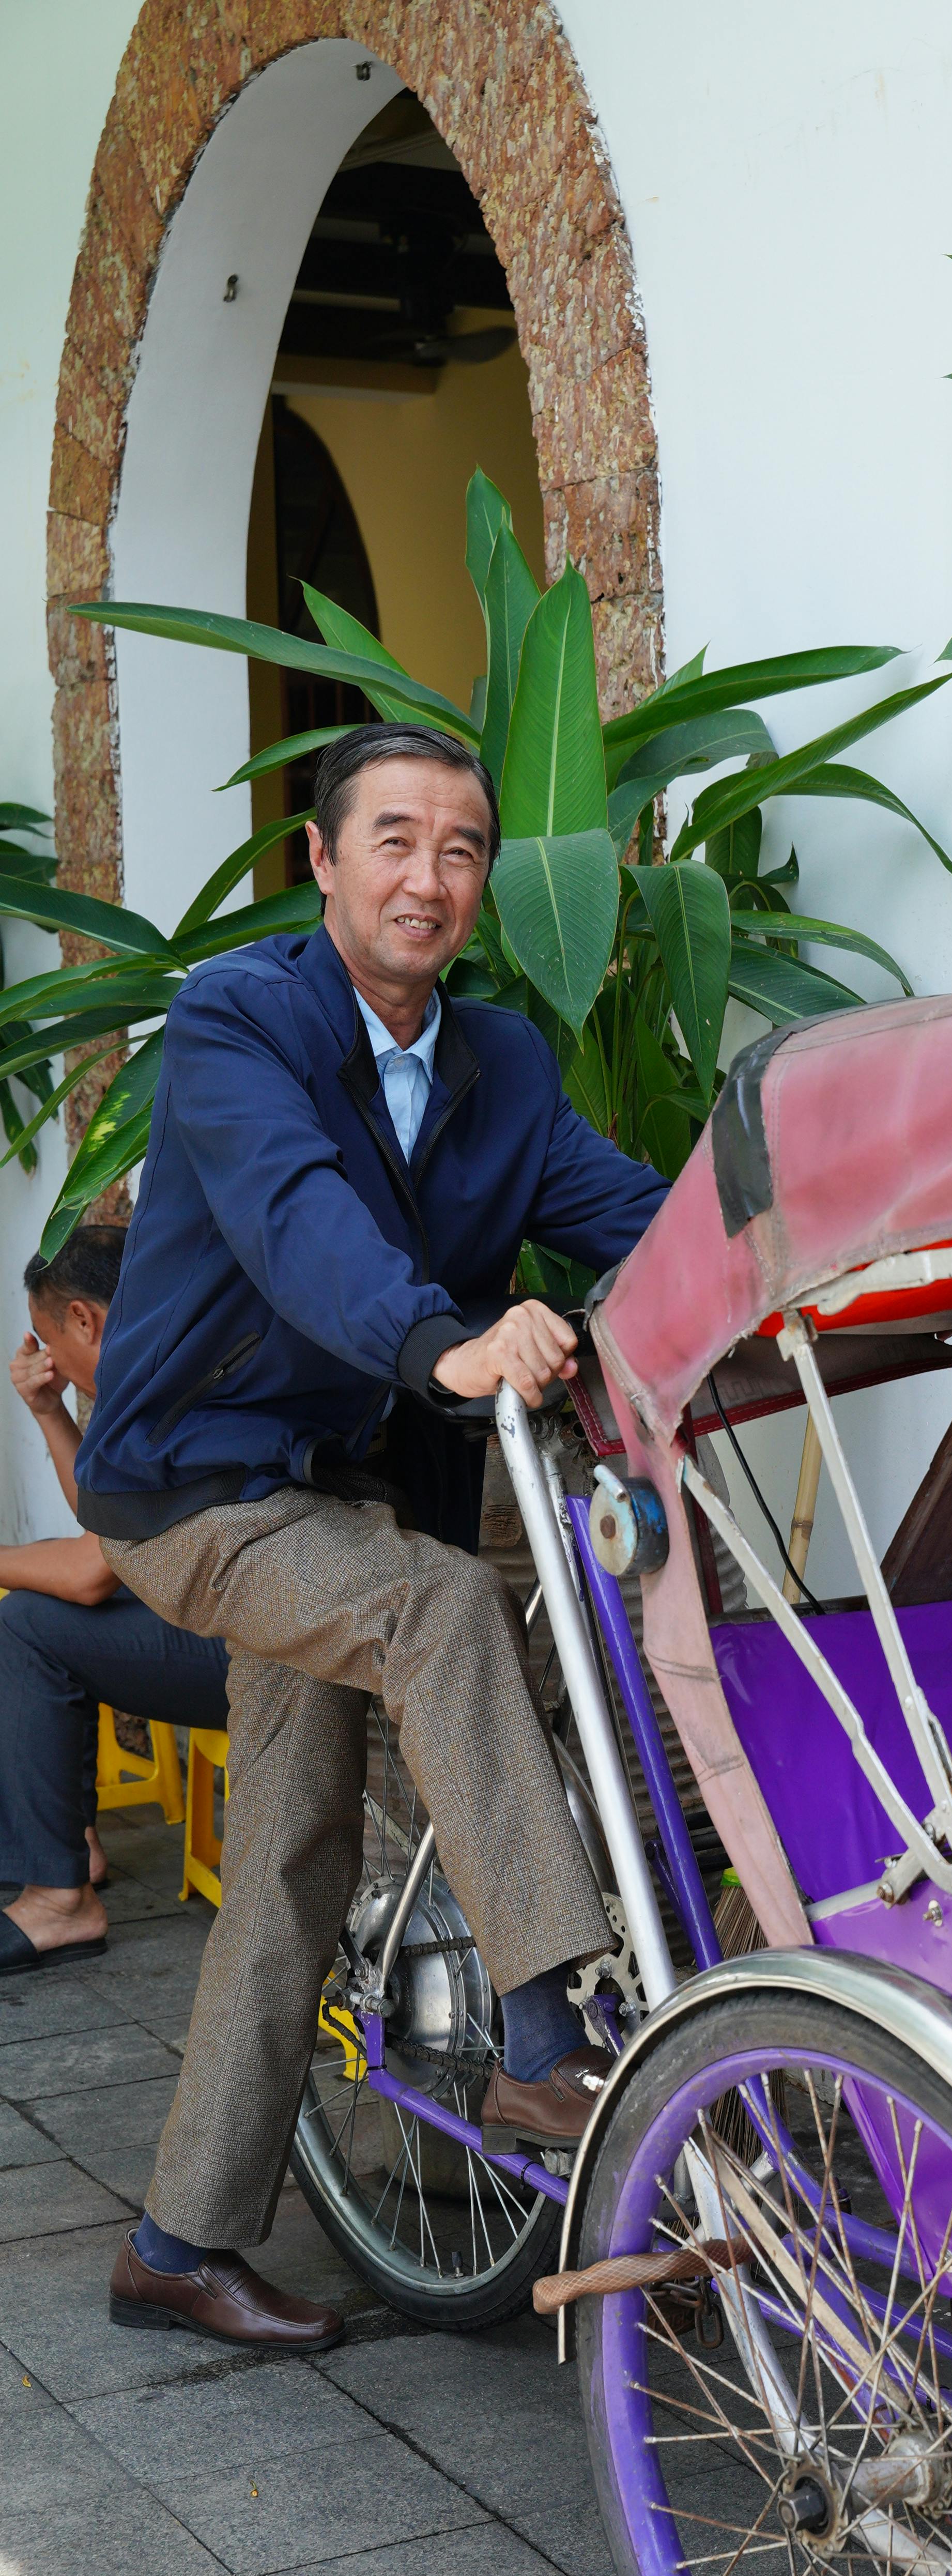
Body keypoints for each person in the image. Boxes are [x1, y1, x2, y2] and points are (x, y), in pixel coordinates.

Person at [74, 721, 669, 2354]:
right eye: (392, 840)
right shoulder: (234, 1025)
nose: (429, 875)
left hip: (346, 1496)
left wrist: (800, 1268)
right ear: (323, 862)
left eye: (461, 848)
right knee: (437, 1609)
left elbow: (636, 1212)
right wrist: (445, 1345)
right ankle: (552, 2040)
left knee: (289, 1858)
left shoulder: (502, 1068)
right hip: (197, 1492)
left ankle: (177, 2245)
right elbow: (294, 1223)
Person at [0, 1225, 229, 1968]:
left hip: (259, 1648)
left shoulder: (158, 1388)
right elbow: (108, 1528)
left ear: (83, 1320)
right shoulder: (165, 1353)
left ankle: (60, 1896)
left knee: (30, 1624)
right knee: (36, 1614)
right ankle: (62, 1851)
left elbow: (90, 1571)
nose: (46, 1359)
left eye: (45, 1337)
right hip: (226, 1617)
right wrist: (48, 1412)